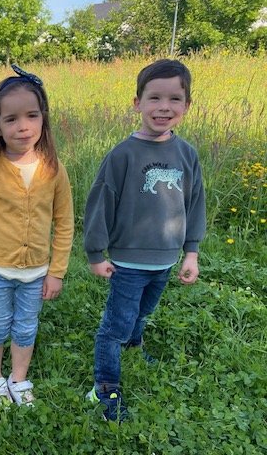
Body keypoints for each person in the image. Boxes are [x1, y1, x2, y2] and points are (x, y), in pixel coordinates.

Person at [83, 59, 206, 422]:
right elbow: (100, 203)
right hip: (128, 262)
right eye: (154, 98)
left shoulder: (186, 154)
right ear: (137, 103)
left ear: (187, 105)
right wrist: (95, 253)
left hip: (165, 260)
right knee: (114, 327)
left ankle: (134, 346)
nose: (164, 107)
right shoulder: (122, 155)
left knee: (144, 311)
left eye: (174, 99)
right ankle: (104, 388)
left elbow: (195, 203)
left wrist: (191, 252)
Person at [0, 65, 74, 405]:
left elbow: (64, 221)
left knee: (26, 326)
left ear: (43, 118)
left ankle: (18, 378)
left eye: (32, 115)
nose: (23, 126)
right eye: (11, 119)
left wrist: (56, 271)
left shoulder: (54, 169)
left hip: (36, 271)